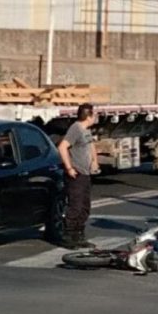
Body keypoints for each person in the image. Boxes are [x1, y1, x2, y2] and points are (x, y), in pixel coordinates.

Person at [56, 103, 99, 249]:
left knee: (85, 206)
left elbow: (91, 145)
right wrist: (69, 168)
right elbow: (62, 147)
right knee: (76, 205)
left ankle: (79, 235)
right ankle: (68, 235)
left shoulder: (86, 130)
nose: (95, 117)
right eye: (94, 114)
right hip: (77, 174)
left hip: (86, 174)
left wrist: (95, 161)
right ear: (88, 116)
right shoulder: (75, 129)